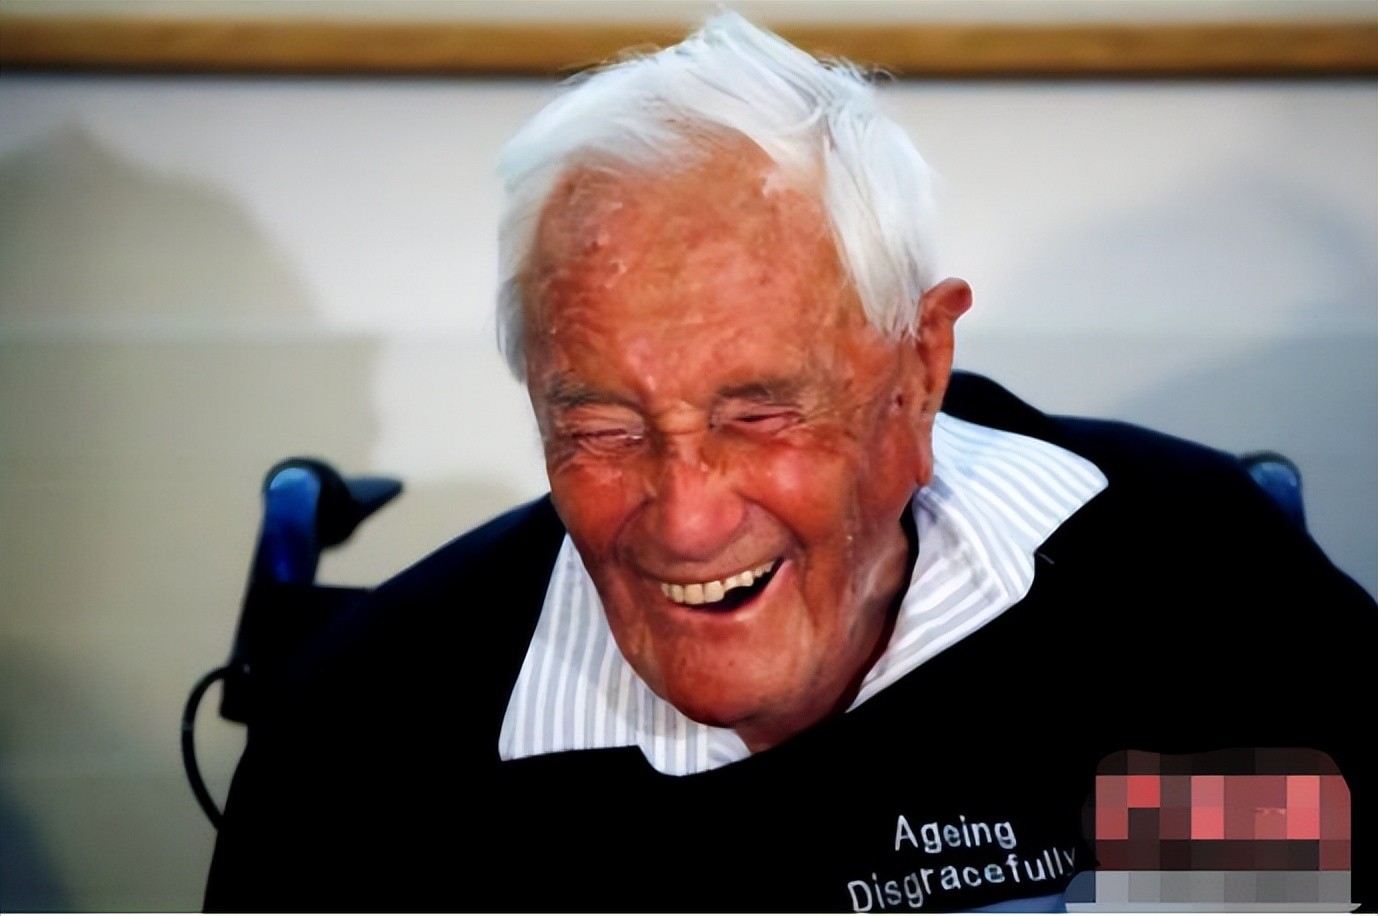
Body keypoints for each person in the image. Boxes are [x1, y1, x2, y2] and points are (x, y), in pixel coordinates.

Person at [205, 13, 1374, 912]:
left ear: (916, 372)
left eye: (758, 414)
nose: (687, 519)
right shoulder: (373, 743)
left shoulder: (1180, 596)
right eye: (605, 430)